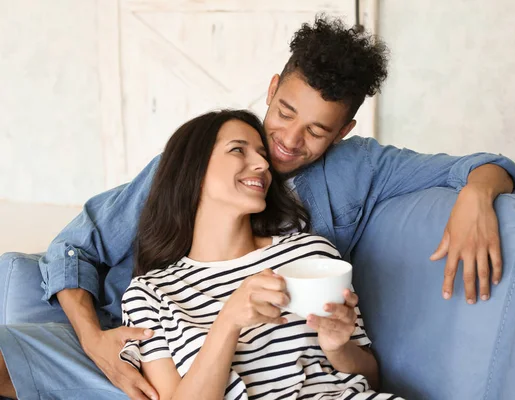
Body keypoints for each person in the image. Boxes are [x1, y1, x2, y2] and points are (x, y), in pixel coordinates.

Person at [0, 16, 515, 400]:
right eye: (284, 112)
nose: (286, 143)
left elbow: (478, 166)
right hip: (135, 338)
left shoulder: (356, 173)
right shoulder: (195, 160)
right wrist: (96, 343)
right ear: (272, 89)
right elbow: (73, 246)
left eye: (316, 131)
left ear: (343, 132)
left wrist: (478, 195)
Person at [119, 109, 399, 399]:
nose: (263, 164)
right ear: (194, 169)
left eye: (263, 154)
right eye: (238, 149)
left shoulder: (311, 254)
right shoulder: (150, 294)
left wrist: (338, 347)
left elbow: (371, 380)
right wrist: (228, 321)